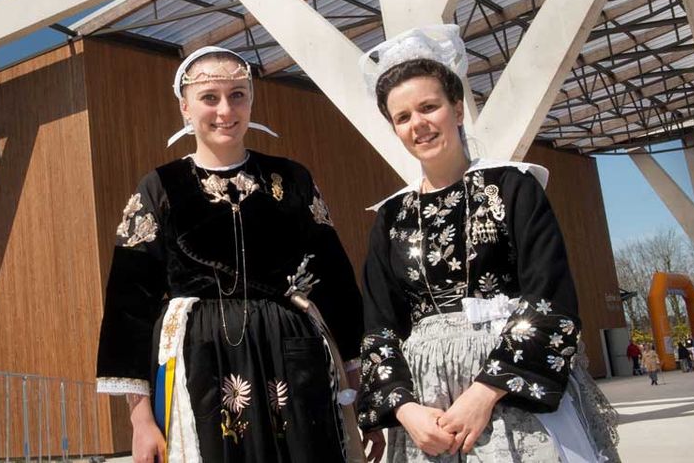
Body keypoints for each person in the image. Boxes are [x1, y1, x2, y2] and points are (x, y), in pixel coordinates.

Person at [95, 46, 373, 463]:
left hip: (291, 354)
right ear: (185, 108)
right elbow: (128, 305)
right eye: (210, 97)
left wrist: (361, 397)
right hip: (199, 358)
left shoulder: (291, 179)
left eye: (237, 94)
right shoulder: (160, 188)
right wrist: (140, 421)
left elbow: (336, 283)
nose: (225, 110)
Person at [355, 25, 619, 462]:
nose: (418, 124)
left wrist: (484, 393)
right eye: (402, 117)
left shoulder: (513, 187)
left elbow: (549, 298)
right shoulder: (391, 217)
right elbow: (380, 326)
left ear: (457, 109)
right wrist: (405, 410)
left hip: (507, 388)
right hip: (428, 407)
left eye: (429, 107)